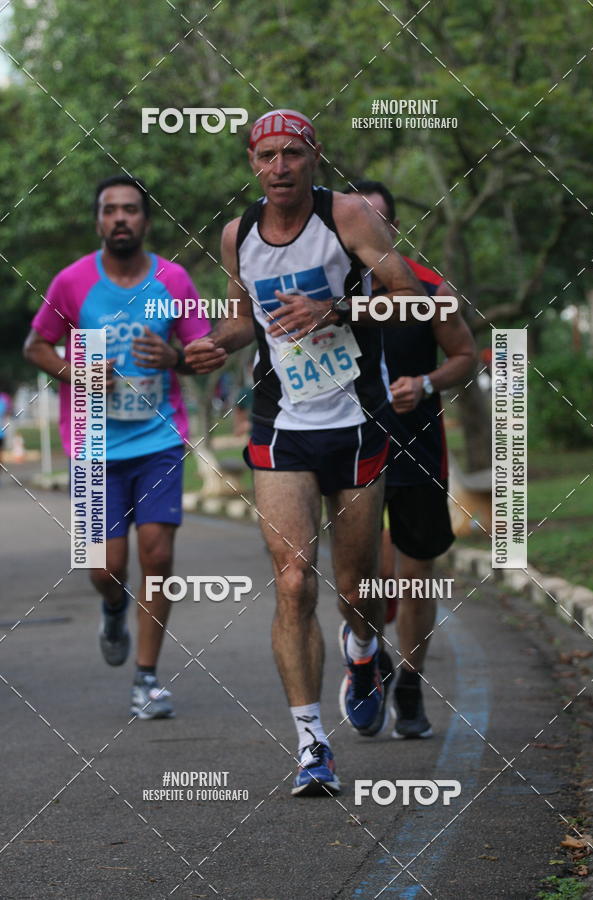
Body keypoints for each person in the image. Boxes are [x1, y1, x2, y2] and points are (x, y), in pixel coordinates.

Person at [185, 109, 446, 796]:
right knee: (296, 577)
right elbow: (244, 321)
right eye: (267, 155)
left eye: (292, 154)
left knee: (357, 590)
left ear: (313, 158)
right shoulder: (237, 233)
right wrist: (218, 344)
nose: (280, 167)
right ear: (251, 162)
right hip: (282, 425)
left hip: (357, 422)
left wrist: (335, 310)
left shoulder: (351, 218)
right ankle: (311, 746)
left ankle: (363, 651)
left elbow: (413, 301)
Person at [23, 175, 210, 719]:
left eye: (131, 209)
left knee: (158, 556)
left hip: (158, 439)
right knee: (106, 570)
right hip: (91, 444)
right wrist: (75, 373)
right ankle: (112, 607)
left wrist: (174, 357)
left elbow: (199, 346)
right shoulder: (71, 283)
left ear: (145, 220)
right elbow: (37, 345)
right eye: (111, 210)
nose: (121, 218)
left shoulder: (173, 280)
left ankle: (147, 679)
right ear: (98, 220)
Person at [345, 180, 477, 739]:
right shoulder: (332, 295)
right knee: (365, 579)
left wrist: (425, 383)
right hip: (351, 454)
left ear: (392, 232)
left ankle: (410, 683)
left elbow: (466, 356)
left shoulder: (428, 288)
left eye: (380, 224)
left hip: (419, 451)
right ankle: (365, 658)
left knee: (416, 575)